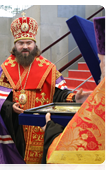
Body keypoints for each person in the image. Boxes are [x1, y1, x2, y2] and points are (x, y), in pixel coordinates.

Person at [0, 14, 90, 170]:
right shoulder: (6, 68)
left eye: (29, 43)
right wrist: (10, 106)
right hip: (17, 130)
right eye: (21, 43)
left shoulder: (48, 68)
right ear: (15, 45)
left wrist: (74, 97)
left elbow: (60, 94)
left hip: (43, 128)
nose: (25, 46)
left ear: (34, 44)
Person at [41, 16, 107, 170]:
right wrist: (88, 97)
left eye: (101, 60)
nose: (100, 64)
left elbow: (64, 158)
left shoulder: (48, 68)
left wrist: (50, 128)